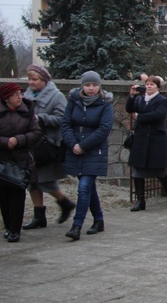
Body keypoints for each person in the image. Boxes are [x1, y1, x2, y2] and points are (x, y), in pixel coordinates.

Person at [60, 71, 114, 241]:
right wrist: (74, 144)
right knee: (89, 188)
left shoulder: (105, 104)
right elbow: (66, 124)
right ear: (82, 86)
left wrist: (84, 146)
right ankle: (99, 220)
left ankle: (77, 225)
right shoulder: (74, 101)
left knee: (84, 187)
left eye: (94, 85)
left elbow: (104, 129)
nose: (91, 89)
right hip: (75, 148)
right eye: (88, 85)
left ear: (99, 86)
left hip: (94, 150)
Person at [22, 64, 76, 230]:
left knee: (45, 180)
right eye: (30, 79)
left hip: (48, 145)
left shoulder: (56, 96)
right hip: (31, 144)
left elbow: (63, 119)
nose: (31, 83)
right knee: (32, 182)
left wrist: (41, 118)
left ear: (44, 80)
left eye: (35, 79)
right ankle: (39, 216)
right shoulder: (27, 95)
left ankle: (65, 203)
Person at [126, 75, 167, 211]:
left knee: (160, 171)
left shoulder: (163, 100)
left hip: (156, 139)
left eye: (152, 84)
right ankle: (140, 200)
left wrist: (139, 117)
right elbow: (129, 109)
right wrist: (131, 96)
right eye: (147, 84)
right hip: (141, 137)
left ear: (157, 87)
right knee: (137, 171)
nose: (149, 87)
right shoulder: (139, 99)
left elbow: (158, 115)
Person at [0, 83, 41, 243]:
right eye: (16, 94)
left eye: (20, 93)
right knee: (3, 196)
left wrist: (18, 140)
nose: (20, 97)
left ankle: (15, 230)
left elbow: (36, 132)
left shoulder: (27, 111)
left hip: (21, 159)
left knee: (17, 195)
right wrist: (5, 142)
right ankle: (8, 226)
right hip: (2, 159)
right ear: (6, 98)